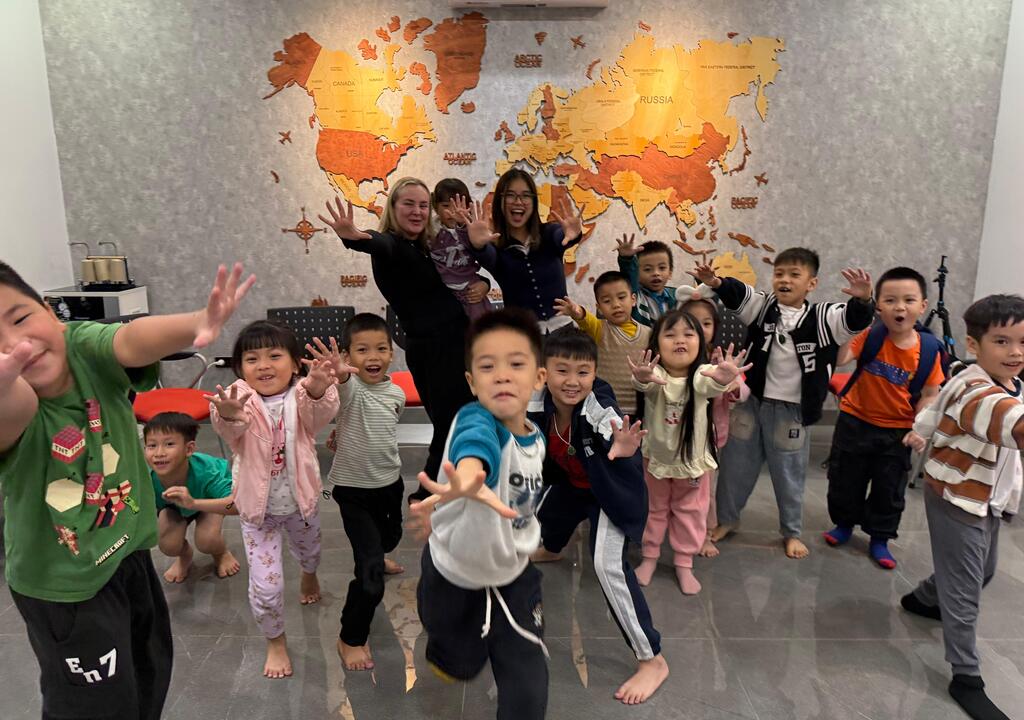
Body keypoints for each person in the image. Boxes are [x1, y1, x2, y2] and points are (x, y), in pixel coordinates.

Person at [0, 260, 253, 719]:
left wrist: (198, 321)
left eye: (19, 319)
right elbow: (10, 410)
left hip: (126, 553)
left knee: (148, 673)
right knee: (93, 707)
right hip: (64, 585)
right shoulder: (17, 400)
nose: (16, 345)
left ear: (50, 312)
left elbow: (129, 339)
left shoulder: (80, 346)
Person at [409, 308, 549, 719]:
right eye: (488, 367)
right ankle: (449, 652)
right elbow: (475, 443)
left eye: (516, 364)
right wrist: (469, 476)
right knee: (458, 661)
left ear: (539, 377)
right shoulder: (474, 418)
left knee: (528, 679)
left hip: (513, 572)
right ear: (472, 381)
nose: (502, 376)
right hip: (454, 572)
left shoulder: (537, 437)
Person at [691, 250, 875, 558]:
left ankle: (791, 532)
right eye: (779, 274)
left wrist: (864, 300)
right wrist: (716, 282)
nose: (784, 280)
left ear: (811, 283)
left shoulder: (824, 317)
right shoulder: (763, 307)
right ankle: (727, 520)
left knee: (789, 474)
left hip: (792, 411)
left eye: (794, 274)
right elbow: (739, 294)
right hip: (753, 403)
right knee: (735, 466)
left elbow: (854, 320)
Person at [528, 327, 670, 705]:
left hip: (609, 492)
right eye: (562, 370)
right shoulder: (536, 401)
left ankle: (652, 659)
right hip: (571, 483)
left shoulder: (596, 405)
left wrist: (620, 443)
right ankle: (553, 548)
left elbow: (610, 421)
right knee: (539, 520)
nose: (572, 381)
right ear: (544, 372)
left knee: (606, 566)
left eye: (583, 371)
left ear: (594, 373)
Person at [900, 294, 1024, 720]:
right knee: (966, 588)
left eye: (1023, 343)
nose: (1015, 352)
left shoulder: (999, 380)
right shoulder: (978, 391)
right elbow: (1011, 422)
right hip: (957, 496)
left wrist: (923, 430)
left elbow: (937, 408)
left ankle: (923, 598)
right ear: (974, 344)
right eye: (1002, 342)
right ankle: (966, 676)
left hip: (986, 497)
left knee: (982, 570)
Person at [320, 179, 477, 503]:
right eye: (408, 204)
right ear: (392, 207)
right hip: (436, 351)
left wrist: (484, 284)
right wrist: (355, 237)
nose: (417, 211)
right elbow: (379, 243)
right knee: (449, 423)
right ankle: (426, 494)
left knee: (457, 421)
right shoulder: (393, 246)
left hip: (455, 344)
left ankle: (449, 488)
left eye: (423, 205)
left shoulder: (424, 246)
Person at [209, 319, 340, 679]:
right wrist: (228, 414)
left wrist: (317, 389)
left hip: (301, 504)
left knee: (311, 552)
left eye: (274, 356)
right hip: (258, 512)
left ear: (296, 363)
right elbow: (230, 428)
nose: (263, 365)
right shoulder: (237, 397)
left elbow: (319, 415)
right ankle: (275, 640)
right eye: (252, 359)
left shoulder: (303, 393)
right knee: (267, 586)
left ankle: (309, 574)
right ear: (240, 368)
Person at [823, 267, 945, 569]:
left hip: (897, 433)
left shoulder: (930, 350)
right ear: (879, 306)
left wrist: (921, 427)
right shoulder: (871, 335)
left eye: (908, 300)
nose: (899, 307)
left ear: (923, 306)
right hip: (854, 421)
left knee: (888, 489)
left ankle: (879, 538)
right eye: (890, 300)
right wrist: (851, 319)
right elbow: (840, 358)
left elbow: (931, 393)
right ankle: (844, 524)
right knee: (845, 479)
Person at [629, 310, 751, 594]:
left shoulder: (701, 374)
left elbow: (711, 385)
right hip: (656, 461)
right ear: (656, 344)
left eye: (688, 334)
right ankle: (650, 557)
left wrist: (723, 377)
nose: (679, 340)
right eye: (670, 334)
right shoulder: (658, 375)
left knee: (691, 512)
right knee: (653, 509)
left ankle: (684, 562)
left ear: (701, 342)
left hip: (692, 463)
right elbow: (646, 383)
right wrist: (642, 378)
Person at [311, 314, 407, 671]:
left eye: (381, 348)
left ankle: (378, 554)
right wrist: (340, 375)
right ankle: (350, 637)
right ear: (348, 357)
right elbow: (346, 395)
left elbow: (377, 425)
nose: (373, 356)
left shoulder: (396, 393)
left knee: (391, 537)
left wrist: (344, 434)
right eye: (362, 350)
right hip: (353, 491)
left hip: (390, 483)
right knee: (370, 579)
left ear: (392, 354)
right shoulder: (348, 389)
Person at [675, 290, 751, 558]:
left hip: (708, 440)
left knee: (703, 491)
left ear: (715, 328)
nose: (699, 328)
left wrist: (732, 385)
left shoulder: (720, 360)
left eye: (706, 323)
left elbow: (742, 391)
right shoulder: (675, 357)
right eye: (691, 322)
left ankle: (705, 534)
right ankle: (676, 525)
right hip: (676, 436)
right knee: (674, 485)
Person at [463, 168, 583, 333]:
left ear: (534, 202)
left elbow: (561, 237)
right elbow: (487, 255)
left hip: (563, 332)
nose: (518, 201)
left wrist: (573, 235)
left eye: (526, 196)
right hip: (523, 336)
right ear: (500, 201)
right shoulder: (497, 247)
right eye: (510, 195)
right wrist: (478, 245)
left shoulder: (548, 234)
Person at [144, 411, 239, 583]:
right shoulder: (147, 479)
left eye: (169, 444)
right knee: (168, 545)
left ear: (189, 449)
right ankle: (184, 556)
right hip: (174, 508)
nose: (159, 453)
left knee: (207, 540)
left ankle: (221, 553)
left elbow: (235, 505)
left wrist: (194, 503)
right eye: (151, 445)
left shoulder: (208, 473)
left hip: (208, 502)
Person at [553, 271, 651, 416]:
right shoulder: (600, 329)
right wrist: (577, 311)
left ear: (633, 300)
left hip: (641, 409)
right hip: (604, 408)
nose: (616, 305)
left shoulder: (649, 333)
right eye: (607, 301)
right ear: (599, 307)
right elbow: (585, 319)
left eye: (621, 297)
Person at [430, 178, 493, 320]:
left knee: (481, 326)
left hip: (471, 289)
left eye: (459, 206)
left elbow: (486, 257)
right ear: (435, 207)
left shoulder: (472, 230)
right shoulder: (430, 232)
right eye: (446, 206)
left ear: (468, 206)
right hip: (443, 295)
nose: (453, 212)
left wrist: (486, 284)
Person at [616, 234, 677, 326]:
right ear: (637, 274)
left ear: (670, 273)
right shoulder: (635, 297)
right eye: (648, 269)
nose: (656, 273)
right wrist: (627, 259)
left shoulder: (677, 295)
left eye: (662, 268)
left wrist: (701, 283)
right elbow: (629, 276)